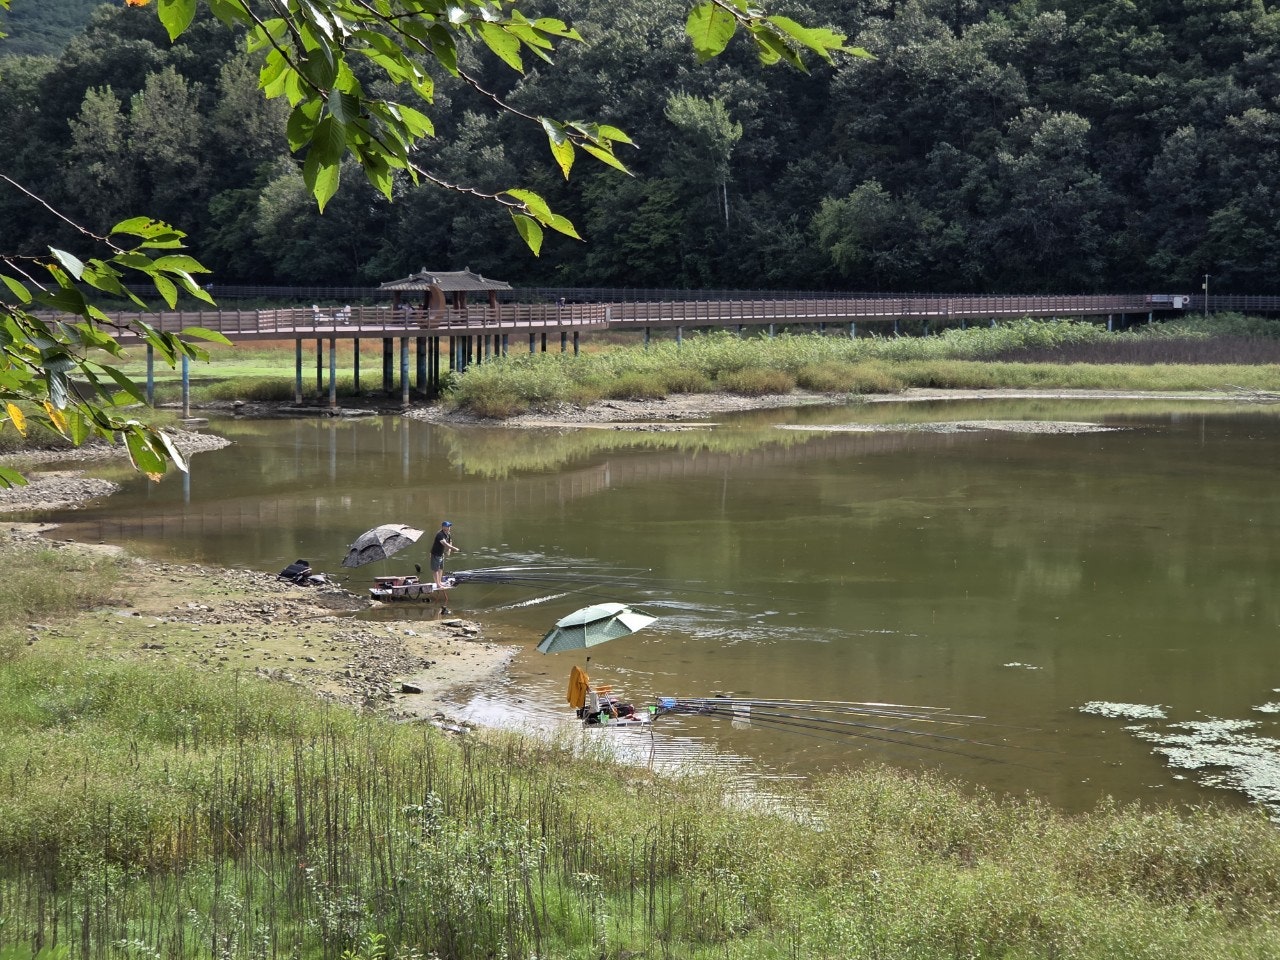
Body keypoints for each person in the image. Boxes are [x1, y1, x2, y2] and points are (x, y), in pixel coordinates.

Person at [430, 520, 458, 587]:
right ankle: (437, 584)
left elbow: (450, 541)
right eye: (447, 526)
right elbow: (444, 543)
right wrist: (454, 548)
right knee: (435, 569)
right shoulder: (440, 534)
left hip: (441, 554)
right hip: (435, 554)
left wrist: (449, 550)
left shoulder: (448, 533)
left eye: (449, 526)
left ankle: (440, 582)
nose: (449, 528)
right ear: (443, 527)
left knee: (441, 568)